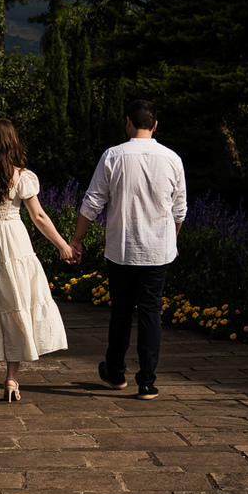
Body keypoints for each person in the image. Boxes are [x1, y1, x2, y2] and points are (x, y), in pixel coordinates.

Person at [69, 97, 186, 400]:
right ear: (155, 125)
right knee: (151, 312)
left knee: (121, 310)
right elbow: (179, 210)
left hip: (122, 249)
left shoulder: (113, 156)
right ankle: (146, 381)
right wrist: (169, 240)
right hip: (157, 251)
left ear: (128, 123)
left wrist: (76, 240)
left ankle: (115, 371)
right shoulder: (172, 159)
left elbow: (93, 202)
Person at [0, 117, 72, 402]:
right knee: (15, 304)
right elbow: (38, 216)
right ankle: (11, 379)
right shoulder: (22, 177)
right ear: (12, 144)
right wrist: (63, 245)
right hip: (14, 242)